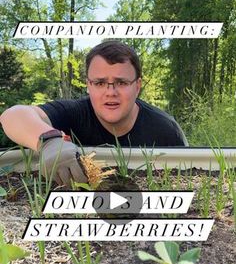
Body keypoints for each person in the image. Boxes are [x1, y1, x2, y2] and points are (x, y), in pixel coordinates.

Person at [0, 40, 188, 187]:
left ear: (137, 86)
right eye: (99, 83)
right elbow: (13, 115)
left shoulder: (166, 130)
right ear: (89, 85)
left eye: (121, 82)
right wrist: (50, 142)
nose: (110, 92)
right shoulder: (73, 113)